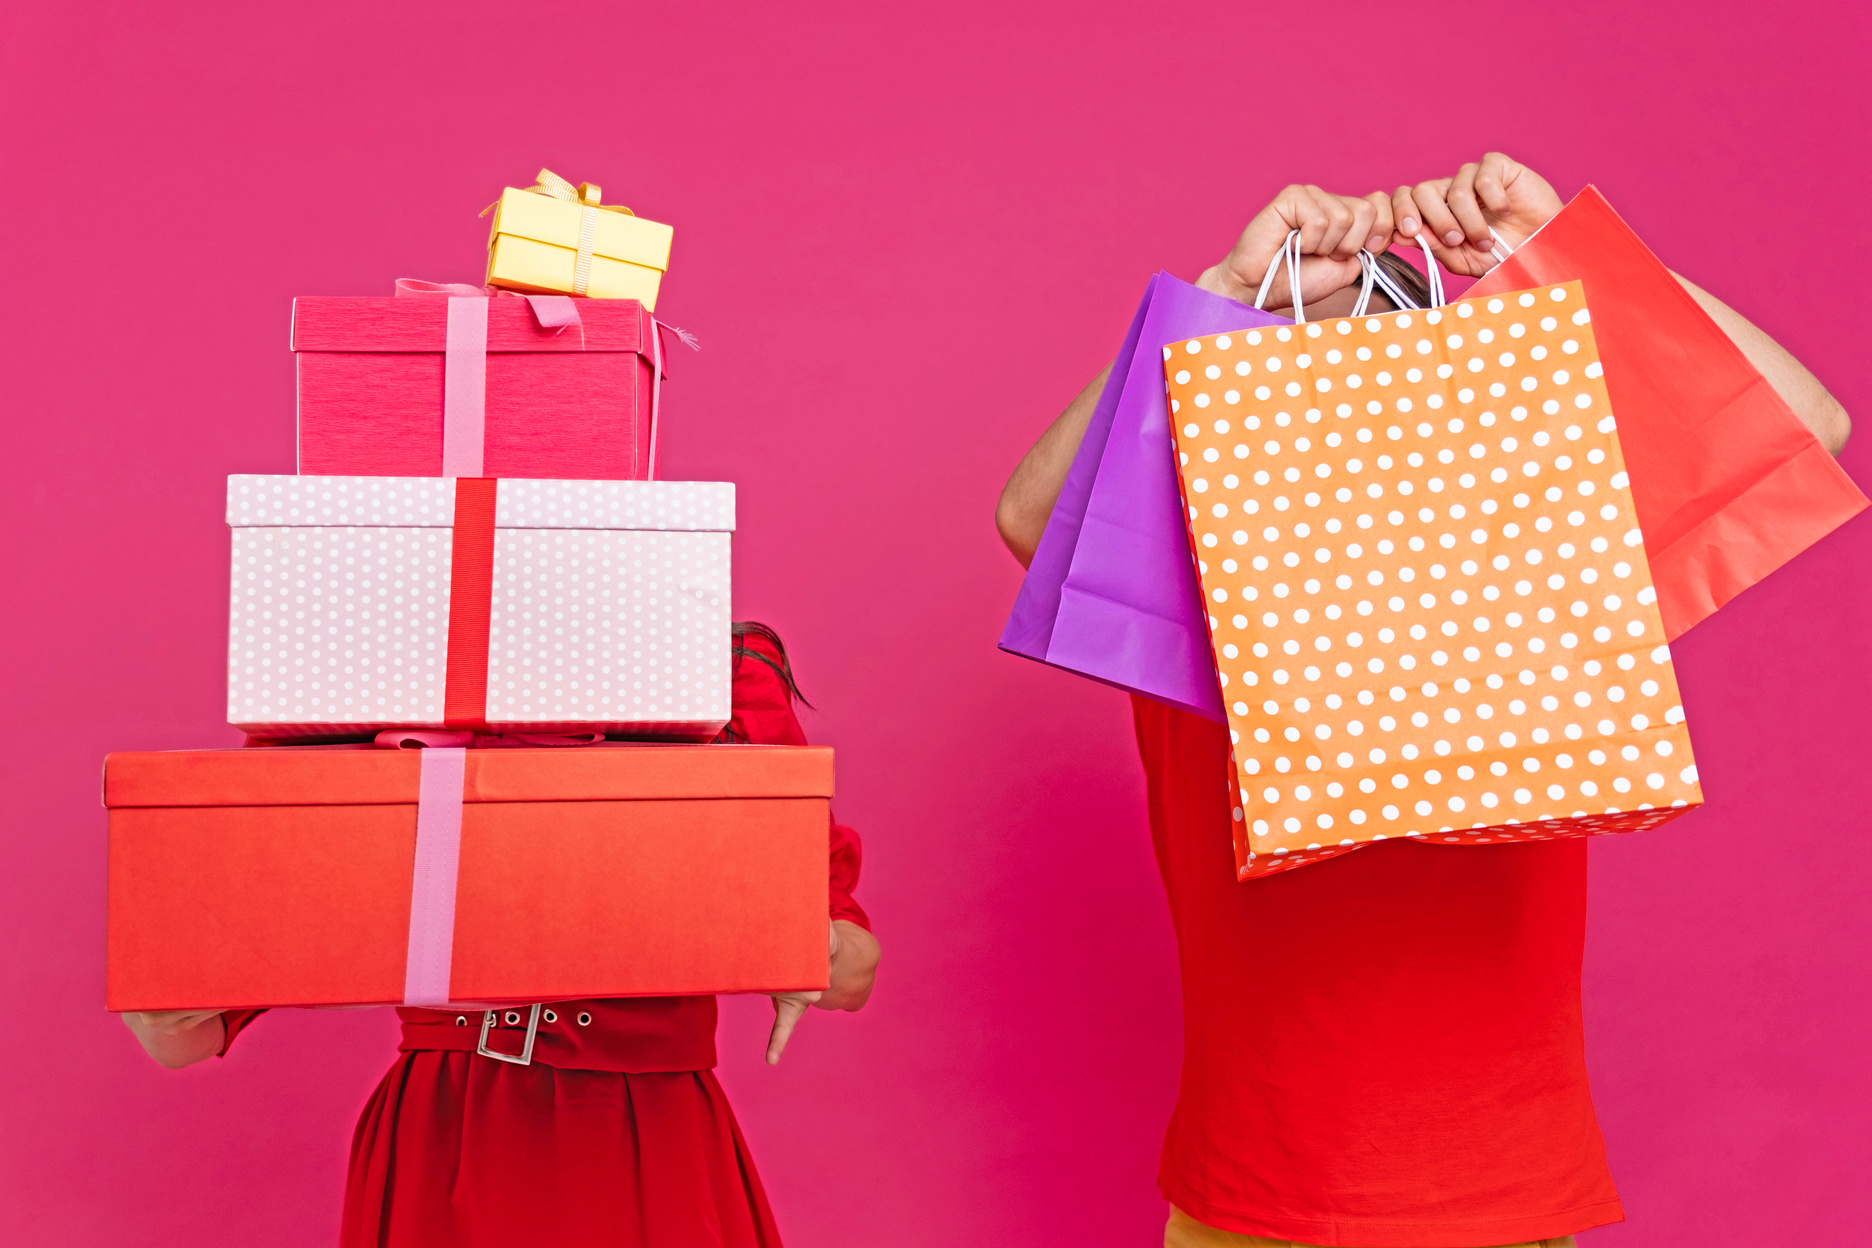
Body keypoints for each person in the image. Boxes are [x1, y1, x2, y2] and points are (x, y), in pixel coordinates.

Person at [997, 154, 1849, 1248]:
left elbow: (1807, 422)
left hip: (1499, 1192)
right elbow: (1031, 520)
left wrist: (1564, 251)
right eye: (1305, 378)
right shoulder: (1188, 577)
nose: (1360, 424)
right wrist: (1216, 295)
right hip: (1258, 1190)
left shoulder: (1536, 564)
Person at [123, 622, 880, 1248]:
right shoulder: (380, 676)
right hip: (451, 1128)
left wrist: (809, 946)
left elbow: (852, 969)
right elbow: (187, 1031)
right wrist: (161, 1000)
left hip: (646, 1129)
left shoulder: (705, 671)